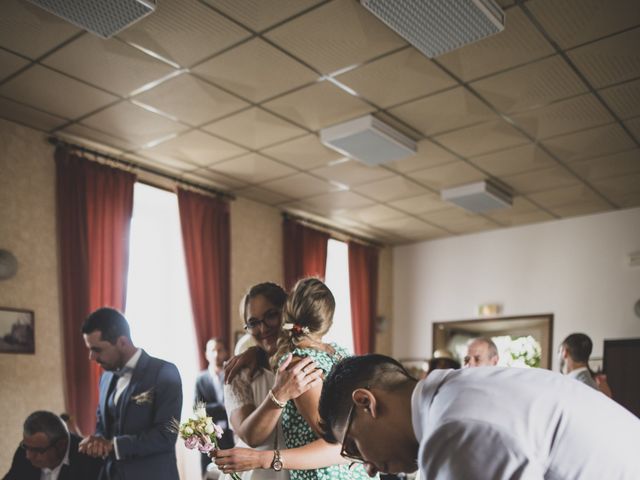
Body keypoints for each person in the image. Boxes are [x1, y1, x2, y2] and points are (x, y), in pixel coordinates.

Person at [318, 354, 640, 479]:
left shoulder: (453, 428)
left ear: (365, 402)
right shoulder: (457, 393)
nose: (370, 470)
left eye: (355, 447)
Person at [268, 277, 372, 480]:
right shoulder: (338, 354)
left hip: (330, 473)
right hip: (353, 469)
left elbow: (331, 434)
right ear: (328, 322)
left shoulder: (301, 364)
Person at [79, 307, 182, 480]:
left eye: (97, 349)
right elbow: (102, 427)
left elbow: (166, 435)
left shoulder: (165, 372)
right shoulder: (105, 378)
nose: (91, 357)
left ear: (122, 342)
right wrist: (96, 442)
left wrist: (114, 446)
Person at [4, 410, 102, 480]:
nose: (28, 456)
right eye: (26, 447)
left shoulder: (90, 461)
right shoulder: (23, 452)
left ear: (61, 445)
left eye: (38, 451)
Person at [196, 337, 234, 475]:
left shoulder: (232, 376)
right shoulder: (200, 379)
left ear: (226, 352)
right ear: (206, 354)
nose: (216, 354)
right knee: (209, 474)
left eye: (220, 350)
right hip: (209, 437)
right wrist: (222, 406)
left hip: (231, 435)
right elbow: (198, 409)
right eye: (212, 350)